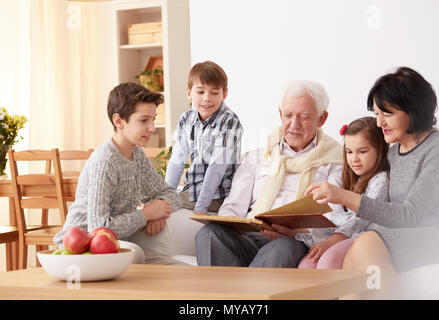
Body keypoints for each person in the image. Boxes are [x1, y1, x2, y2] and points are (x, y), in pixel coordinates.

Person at [306, 67, 439, 299]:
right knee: (355, 255)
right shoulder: (394, 152)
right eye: (376, 114)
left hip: (437, 236)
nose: (379, 122)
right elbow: (386, 208)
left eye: (387, 114)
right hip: (405, 234)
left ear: (413, 112)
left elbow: (409, 215)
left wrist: (343, 196)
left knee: (367, 242)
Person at [196, 80, 353, 268]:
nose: (294, 125)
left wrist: (298, 232)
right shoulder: (256, 157)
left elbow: (333, 219)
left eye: (304, 117)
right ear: (280, 114)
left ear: (322, 118)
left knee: (283, 246)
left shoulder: (335, 162)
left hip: (293, 241)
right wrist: (235, 224)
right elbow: (232, 207)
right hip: (250, 238)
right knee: (209, 234)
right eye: (288, 115)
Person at [54, 82, 183, 264]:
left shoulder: (136, 154)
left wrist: (159, 207)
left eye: (153, 119)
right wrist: (145, 215)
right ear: (118, 121)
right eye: (144, 120)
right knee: (138, 255)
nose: (152, 128)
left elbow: (170, 193)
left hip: (115, 242)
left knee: (172, 266)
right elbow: (98, 228)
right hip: (80, 248)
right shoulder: (105, 161)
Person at [298, 116, 389, 269]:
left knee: (328, 261)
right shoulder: (346, 177)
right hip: (340, 234)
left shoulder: (381, 179)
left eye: (362, 151)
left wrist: (332, 241)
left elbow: (363, 217)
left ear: (380, 150)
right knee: (306, 265)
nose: (354, 159)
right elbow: (332, 215)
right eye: (349, 152)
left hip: (362, 236)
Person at [165, 60, 243, 215]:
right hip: (192, 190)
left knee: (161, 209)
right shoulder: (186, 118)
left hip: (218, 194)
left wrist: (201, 208)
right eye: (200, 92)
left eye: (214, 93)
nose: (207, 98)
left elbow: (217, 167)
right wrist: (164, 196)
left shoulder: (229, 121)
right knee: (159, 205)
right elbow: (177, 161)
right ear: (189, 93)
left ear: (224, 94)